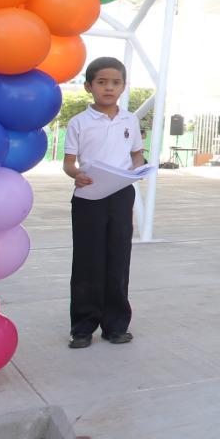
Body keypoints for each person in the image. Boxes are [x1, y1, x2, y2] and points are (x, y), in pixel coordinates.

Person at [62, 57, 144, 349]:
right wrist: (77, 175)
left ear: (123, 86)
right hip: (90, 195)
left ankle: (116, 324)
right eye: (102, 82)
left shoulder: (130, 120)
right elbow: (69, 164)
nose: (109, 88)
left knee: (119, 258)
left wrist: (138, 168)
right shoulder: (79, 122)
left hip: (121, 193)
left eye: (115, 82)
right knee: (88, 259)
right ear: (88, 86)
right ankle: (83, 327)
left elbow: (136, 154)